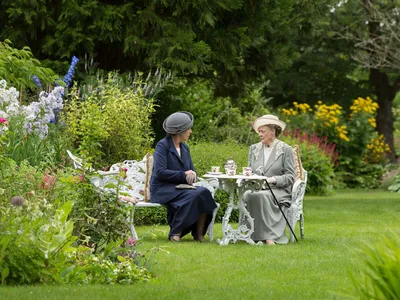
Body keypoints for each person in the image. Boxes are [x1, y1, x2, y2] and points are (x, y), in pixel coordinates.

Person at [150, 111, 217, 242]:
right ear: (180, 131)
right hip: (162, 189)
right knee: (193, 195)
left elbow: (191, 170)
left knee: (204, 193)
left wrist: (193, 174)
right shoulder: (162, 146)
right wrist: (183, 175)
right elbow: (160, 172)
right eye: (188, 129)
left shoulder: (185, 148)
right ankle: (176, 232)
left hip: (181, 187)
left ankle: (199, 235)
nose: (190, 131)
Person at [244, 114, 295, 245]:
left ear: (273, 131)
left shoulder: (285, 149)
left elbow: (290, 177)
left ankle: (269, 237)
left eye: (263, 131)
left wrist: (273, 179)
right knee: (248, 195)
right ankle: (252, 235)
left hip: (279, 190)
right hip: (258, 188)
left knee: (262, 196)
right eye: (259, 131)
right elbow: (249, 170)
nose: (260, 134)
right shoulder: (254, 149)